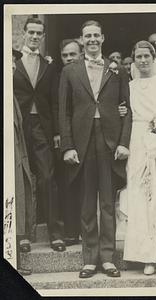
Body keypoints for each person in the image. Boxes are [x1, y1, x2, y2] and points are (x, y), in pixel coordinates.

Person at [59, 20, 132, 278]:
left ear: (103, 38)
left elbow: (127, 109)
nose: (92, 40)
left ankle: (108, 258)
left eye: (96, 36)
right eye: (87, 36)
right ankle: (89, 259)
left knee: (108, 203)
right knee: (87, 201)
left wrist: (124, 142)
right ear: (81, 39)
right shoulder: (70, 71)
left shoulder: (118, 70)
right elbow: (64, 112)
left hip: (110, 140)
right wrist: (68, 146)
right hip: (83, 140)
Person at [120, 41, 156, 276]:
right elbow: (124, 112)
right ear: (133, 60)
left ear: (154, 58)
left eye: (147, 56)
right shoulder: (130, 86)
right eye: (138, 57)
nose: (142, 61)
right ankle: (146, 257)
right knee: (140, 199)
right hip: (137, 141)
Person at [13, 17, 65, 251]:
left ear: (44, 36)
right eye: (31, 32)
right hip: (19, 125)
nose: (35, 37)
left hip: (42, 127)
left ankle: (55, 232)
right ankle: (23, 235)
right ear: (24, 33)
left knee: (47, 177)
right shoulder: (11, 62)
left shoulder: (49, 65)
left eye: (39, 33)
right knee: (21, 179)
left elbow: (54, 101)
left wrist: (55, 131)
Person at [52, 38, 82, 247]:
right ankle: (72, 231)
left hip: (88, 135)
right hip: (65, 137)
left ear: (80, 54)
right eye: (65, 55)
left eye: (73, 54)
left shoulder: (87, 74)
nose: (69, 58)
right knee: (69, 183)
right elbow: (55, 108)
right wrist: (59, 134)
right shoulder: (58, 77)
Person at [12, 49, 33, 276]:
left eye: (13, 64)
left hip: (17, 157)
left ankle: (15, 261)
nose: (12, 67)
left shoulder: (13, 97)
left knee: (16, 207)